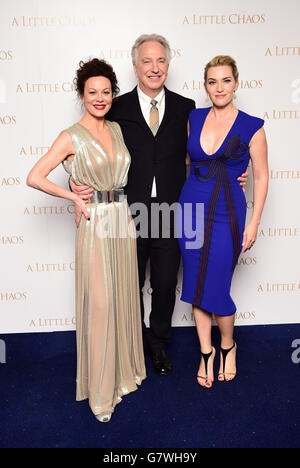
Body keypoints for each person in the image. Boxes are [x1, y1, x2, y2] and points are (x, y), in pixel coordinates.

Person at [70, 35, 249, 377]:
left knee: (166, 283)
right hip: (125, 211)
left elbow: (204, 152)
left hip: (172, 212)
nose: (154, 68)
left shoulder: (187, 109)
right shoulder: (116, 107)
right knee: (128, 282)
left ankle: (158, 345)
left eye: (161, 61)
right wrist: (74, 182)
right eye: (147, 62)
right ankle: (132, 345)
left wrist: (231, 175)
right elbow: (89, 149)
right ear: (135, 66)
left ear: (168, 65)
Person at [27, 58, 146, 422]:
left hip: (121, 219)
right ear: (81, 95)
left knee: (124, 297)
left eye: (106, 92)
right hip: (94, 224)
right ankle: (100, 392)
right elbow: (34, 176)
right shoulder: (70, 135)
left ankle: (123, 375)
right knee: (100, 303)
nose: (100, 98)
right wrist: (74, 196)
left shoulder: (116, 128)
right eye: (92, 92)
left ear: (113, 95)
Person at [177, 55, 268, 388]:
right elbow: (186, 161)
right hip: (190, 208)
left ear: (236, 83)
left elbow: (261, 174)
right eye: (212, 82)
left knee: (216, 283)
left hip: (228, 212)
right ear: (205, 86)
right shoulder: (194, 117)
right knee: (196, 284)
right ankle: (206, 351)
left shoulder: (252, 125)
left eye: (226, 80)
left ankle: (228, 344)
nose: (219, 87)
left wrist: (254, 222)